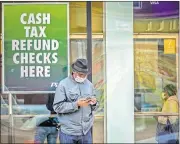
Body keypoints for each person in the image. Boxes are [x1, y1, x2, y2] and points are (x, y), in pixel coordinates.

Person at [53, 58, 99, 144]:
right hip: (68, 133)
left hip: (86, 132)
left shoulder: (89, 85)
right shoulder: (63, 85)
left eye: (85, 75)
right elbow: (57, 107)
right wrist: (76, 104)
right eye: (81, 74)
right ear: (74, 72)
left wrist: (94, 103)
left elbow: (95, 106)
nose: (83, 77)